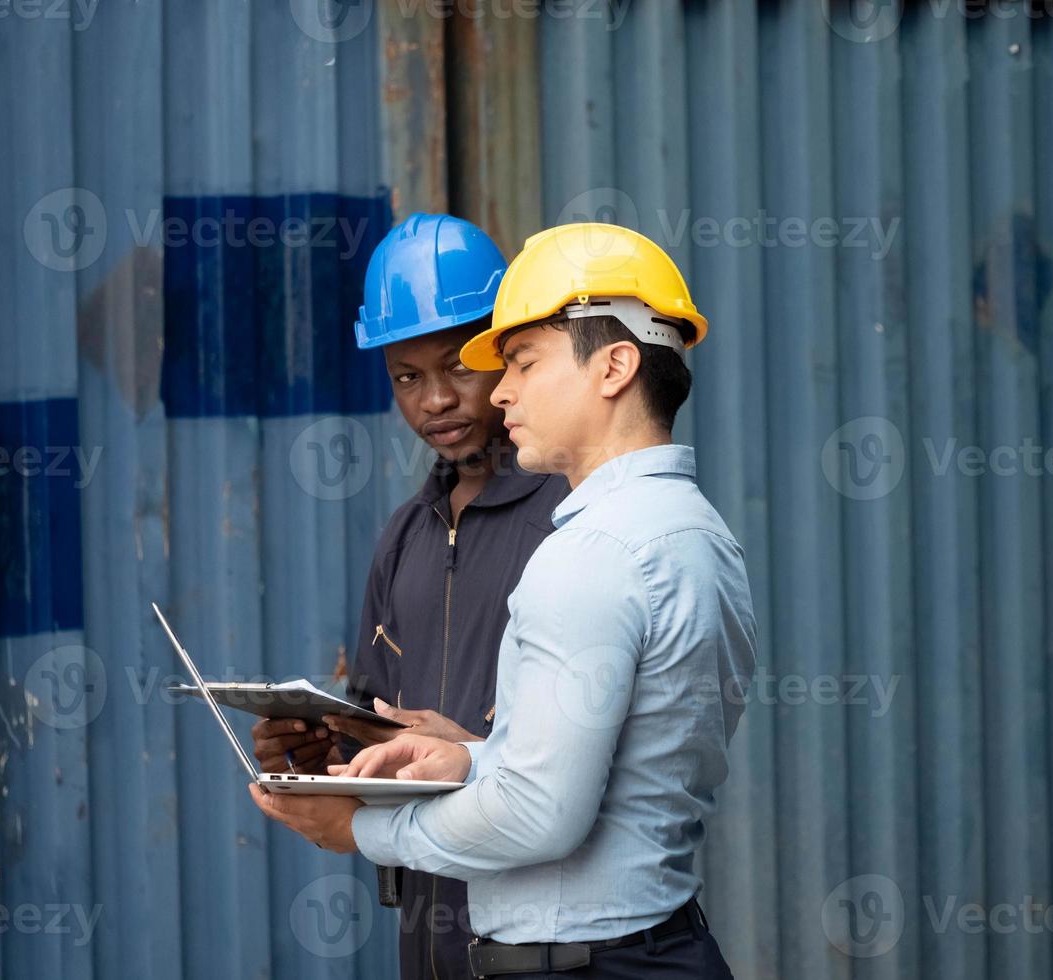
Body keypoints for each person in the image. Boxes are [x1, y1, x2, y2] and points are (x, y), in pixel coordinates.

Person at [250, 222, 757, 979]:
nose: (502, 387)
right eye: (407, 375)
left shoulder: (586, 552)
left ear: (615, 365)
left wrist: (356, 831)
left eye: (518, 360)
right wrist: (467, 757)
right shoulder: (691, 528)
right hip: (640, 945)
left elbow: (538, 814)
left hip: (584, 957)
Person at [248, 212, 569, 979]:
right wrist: (319, 749)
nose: (433, 400)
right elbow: (375, 722)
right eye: (406, 376)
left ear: (509, 358)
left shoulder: (569, 520)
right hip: (428, 929)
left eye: (458, 366)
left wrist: (470, 752)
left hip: (547, 932)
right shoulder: (403, 536)